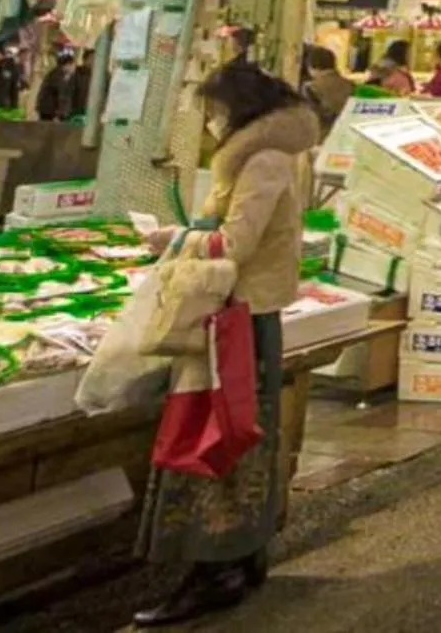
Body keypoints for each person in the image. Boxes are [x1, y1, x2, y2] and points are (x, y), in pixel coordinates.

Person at [131, 60, 319, 626]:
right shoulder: (268, 153)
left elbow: (237, 242)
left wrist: (175, 238)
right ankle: (243, 556)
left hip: (240, 316)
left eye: (213, 112)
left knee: (219, 438)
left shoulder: (262, 159)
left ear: (237, 109)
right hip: (246, 313)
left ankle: (214, 570)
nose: (210, 123)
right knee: (243, 432)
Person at [301, 47, 353, 131]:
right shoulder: (350, 85)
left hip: (322, 136)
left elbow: (310, 118)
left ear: (311, 66)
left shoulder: (311, 88)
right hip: (346, 134)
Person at [35, 48, 94, 122]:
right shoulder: (61, 74)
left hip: (51, 109)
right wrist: (61, 112)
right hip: (50, 109)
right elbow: (64, 92)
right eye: (72, 64)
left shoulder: (57, 73)